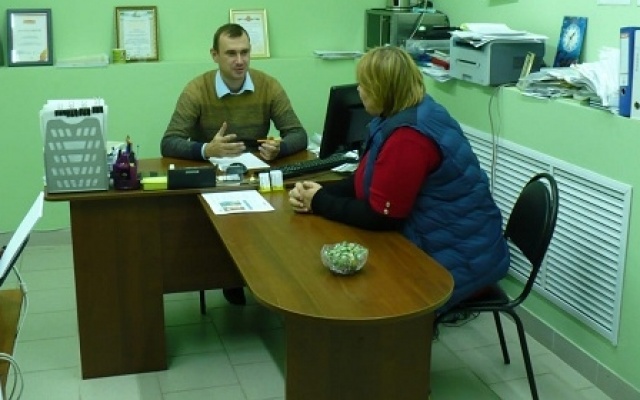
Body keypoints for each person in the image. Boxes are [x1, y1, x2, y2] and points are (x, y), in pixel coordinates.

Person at [288, 46, 510, 313]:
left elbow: (382, 217)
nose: (358, 90)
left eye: (364, 84)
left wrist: (320, 202)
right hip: (460, 242)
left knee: (358, 296)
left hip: (460, 260)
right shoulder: (413, 111)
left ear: (382, 90)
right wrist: (319, 192)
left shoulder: (408, 138)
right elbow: (369, 180)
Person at [162, 23, 308, 305]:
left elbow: (297, 134)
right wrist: (206, 149)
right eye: (231, 53)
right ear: (215, 55)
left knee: (287, 219)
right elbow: (169, 142)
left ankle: (271, 278)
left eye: (245, 52)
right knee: (229, 226)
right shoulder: (197, 89)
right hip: (215, 177)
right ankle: (230, 276)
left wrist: (280, 147)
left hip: (257, 174)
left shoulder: (268, 85)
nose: (240, 60)